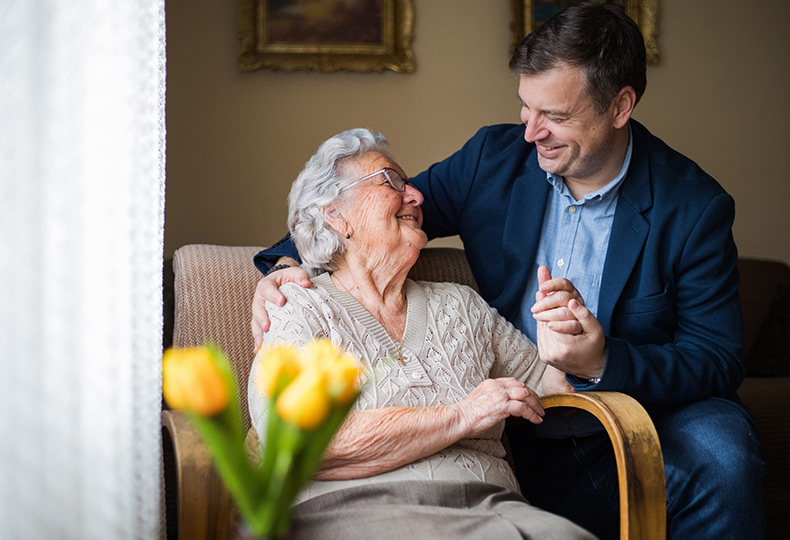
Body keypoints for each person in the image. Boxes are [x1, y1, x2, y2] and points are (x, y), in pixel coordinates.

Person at [251, 4, 766, 540]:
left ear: (620, 106)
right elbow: (376, 208)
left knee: (723, 453)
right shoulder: (491, 161)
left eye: (557, 117)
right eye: (526, 107)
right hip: (517, 428)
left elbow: (716, 359)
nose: (531, 133)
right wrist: (287, 265)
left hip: (637, 409)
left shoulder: (692, 206)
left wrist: (602, 359)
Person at [248, 127, 597, 540]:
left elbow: (553, 391)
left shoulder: (462, 305)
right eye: (392, 182)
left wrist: (575, 349)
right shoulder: (298, 307)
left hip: (494, 509)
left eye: (411, 184)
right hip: (356, 513)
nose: (416, 196)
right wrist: (463, 415)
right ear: (336, 215)